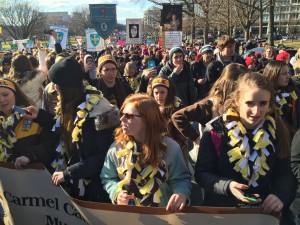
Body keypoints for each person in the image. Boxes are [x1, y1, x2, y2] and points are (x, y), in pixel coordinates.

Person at [195, 72, 297, 225]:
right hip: (224, 213)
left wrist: (279, 194)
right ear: (237, 100)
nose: (256, 111)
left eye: (263, 103)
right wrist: (227, 186)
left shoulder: (277, 129)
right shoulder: (216, 130)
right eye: (249, 103)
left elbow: (285, 172)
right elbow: (202, 173)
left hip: (262, 214)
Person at [25, 56, 118, 202]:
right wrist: (40, 115)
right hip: (76, 178)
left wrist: (69, 173)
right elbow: (64, 127)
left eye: (56, 84)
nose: (54, 88)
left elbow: (103, 155)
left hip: (95, 186)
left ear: (66, 87)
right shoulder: (73, 100)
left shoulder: (99, 110)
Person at [100, 94, 191, 211]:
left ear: (147, 120)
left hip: (163, 214)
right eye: (122, 114)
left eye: (129, 116)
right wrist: (116, 193)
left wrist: (181, 193)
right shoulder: (116, 148)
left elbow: (181, 178)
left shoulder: (171, 148)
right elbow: (108, 177)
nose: (121, 119)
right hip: (131, 216)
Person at [0, 78, 57, 168]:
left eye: (5, 95)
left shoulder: (34, 117)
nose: (1, 100)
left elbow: (51, 146)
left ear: (15, 95)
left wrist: (30, 156)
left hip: (36, 177)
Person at [147, 77, 188, 164]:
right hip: (155, 149)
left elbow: (182, 132)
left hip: (175, 148)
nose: (159, 96)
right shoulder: (150, 107)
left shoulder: (177, 107)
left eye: (162, 92)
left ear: (168, 93)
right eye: (156, 93)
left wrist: (172, 147)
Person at [263, 60, 300, 136]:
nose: (288, 76)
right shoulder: (264, 95)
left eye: (288, 73)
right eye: (284, 74)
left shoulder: (294, 92)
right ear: (273, 75)